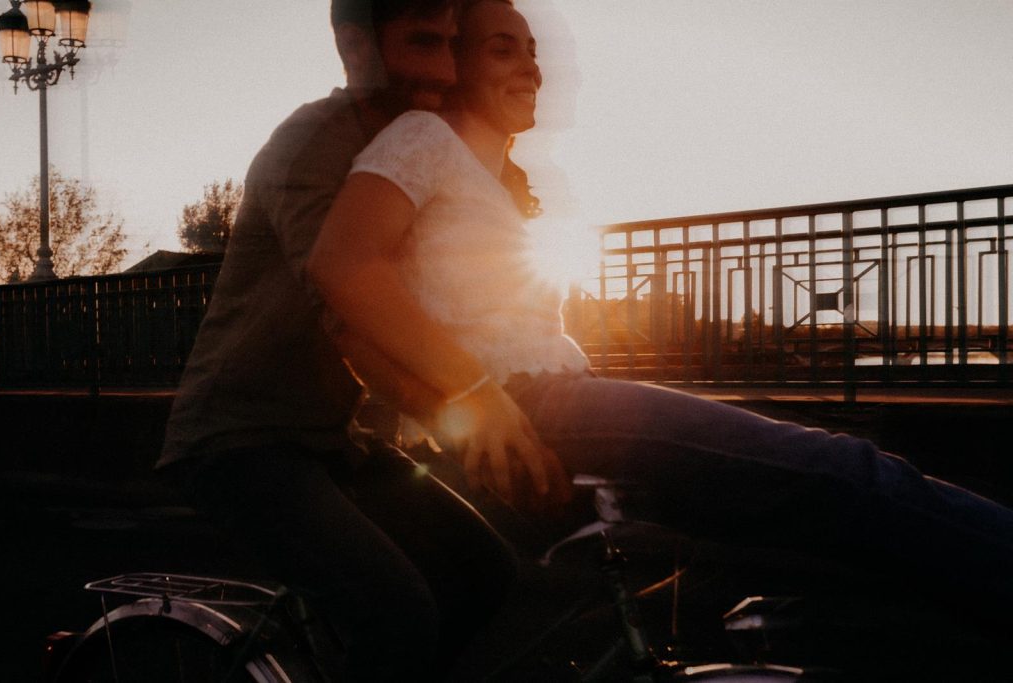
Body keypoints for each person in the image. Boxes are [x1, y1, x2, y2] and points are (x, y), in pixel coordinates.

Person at [308, 0, 1013, 617]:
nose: (531, 66)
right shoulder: (424, 139)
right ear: (453, 62)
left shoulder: (497, 184)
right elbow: (342, 264)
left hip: (553, 400)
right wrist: (470, 397)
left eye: (533, 51)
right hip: (537, 404)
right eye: (502, 48)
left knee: (793, 532)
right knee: (845, 474)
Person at [157, 2, 518, 680]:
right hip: (240, 439)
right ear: (355, 47)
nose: (444, 70)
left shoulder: (413, 143)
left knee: (484, 571)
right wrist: (471, 413)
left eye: (450, 45)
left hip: (328, 438)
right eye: (421, 42)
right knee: (397, 614)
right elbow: (345, 311)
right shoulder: (315, 143)